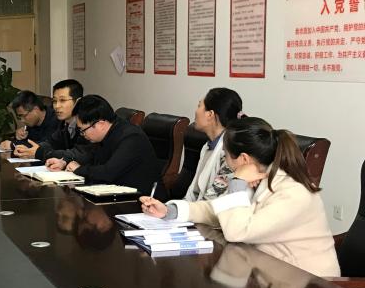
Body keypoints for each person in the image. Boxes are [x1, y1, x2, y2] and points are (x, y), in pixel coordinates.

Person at [140, 117, 339, 278]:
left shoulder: (293, 193)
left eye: (225, 155)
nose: (225, 162)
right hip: (266, 273)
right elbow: (215, 210)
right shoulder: (259, 177)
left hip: (308, 285)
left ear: (244, 159)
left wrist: (237, 183)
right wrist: (170, 211)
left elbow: (238, 231)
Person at [46, 94, 160, 195]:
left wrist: (79, 169)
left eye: (83, 130)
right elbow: (87, 156)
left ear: (100, 124)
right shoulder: (105, 134)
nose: (82, 134)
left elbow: (108, 172)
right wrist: (64, 162)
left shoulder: (131, 137)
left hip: (142, 202)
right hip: (115, 194)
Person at [185, 87, 244, 201]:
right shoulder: (208, 146)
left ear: (210, 114)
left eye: (199, 106)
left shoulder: (229, 153)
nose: (196, 111)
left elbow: (213, 200)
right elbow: (193, 193)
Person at [13, 79, 91, 161]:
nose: (57, 106)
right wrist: (30, 149)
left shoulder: (87, 124)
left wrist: (40, 152)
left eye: (62, 100)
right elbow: (51, 143)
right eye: (54, 101)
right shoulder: (64, 124)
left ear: (78, 102)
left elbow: (79, 154)